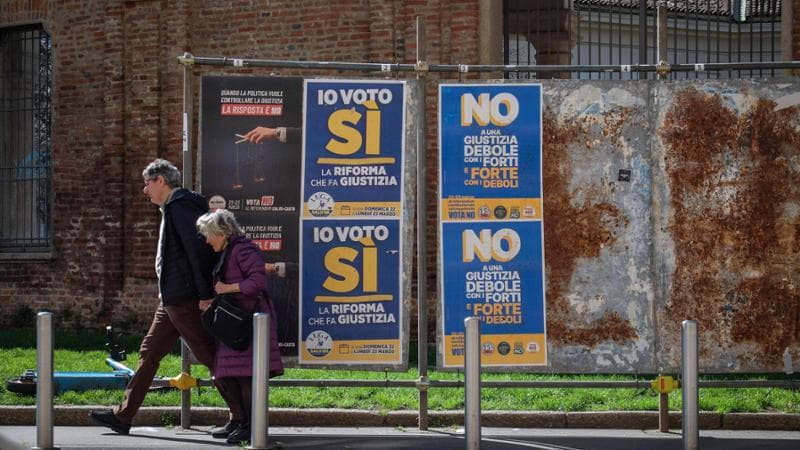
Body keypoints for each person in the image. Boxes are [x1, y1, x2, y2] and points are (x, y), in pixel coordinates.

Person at [89, 159, 233, 435]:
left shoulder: (180, 208)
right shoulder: (173, 208)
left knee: (208, 354)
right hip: (170, 298)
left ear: (161, 181)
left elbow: (196, 254)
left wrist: (204, 295)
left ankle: (242, 415)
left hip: (184, 298)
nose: (145, 190)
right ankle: (123, 416)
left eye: (147, 183)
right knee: (149, 352)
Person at [196, 208, 284, 445]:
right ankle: (240, 421)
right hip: (236, 323)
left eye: (208, 234)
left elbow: (257, 282)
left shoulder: (243, 249)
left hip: (250, 323)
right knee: (228, 374)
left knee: (244, 376)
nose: (206, 239)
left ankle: (248, 427)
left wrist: (227, 289)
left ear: (221, 232)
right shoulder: (229, 249)